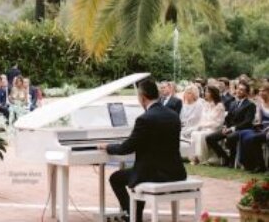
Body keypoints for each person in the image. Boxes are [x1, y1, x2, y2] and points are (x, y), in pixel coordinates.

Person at [100, 78, 186, 222]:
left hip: (154, 174)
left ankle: (132, 214)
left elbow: (127, 148)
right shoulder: (173, 115)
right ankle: (134, 214)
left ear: (142, 98)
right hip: (175, 171)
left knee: (116, 178)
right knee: (138, 171)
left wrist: (107, 146)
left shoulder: (144, 119)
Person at [206, 81, 256, 167]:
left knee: (230, 137)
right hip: (228, 129)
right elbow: (228, 118)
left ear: (246, 93)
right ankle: (225, 157)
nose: (239, 91)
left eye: (242, 90)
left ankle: (232, 160)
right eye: (238, 89)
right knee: (209, 138)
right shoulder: (233, 103)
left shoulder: (250, 105)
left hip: (241, 129)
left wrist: (233, 128)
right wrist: (225, 126)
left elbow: (247, 121)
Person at [187, 86, 225, 164]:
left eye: (207, 92)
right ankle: (194, 157)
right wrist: (200, 126)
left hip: (214, 129)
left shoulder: (219, 106)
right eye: (205, 91)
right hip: (204, 128)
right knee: (194, 133)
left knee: (201, 135)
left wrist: (205, 126)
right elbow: (202, 119)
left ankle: (202, 158)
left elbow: (218, 122)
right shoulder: (205, 104)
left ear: (213, 94)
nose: (205, 93)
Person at [239, 83, 269, 172]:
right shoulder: (260, 103)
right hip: (261, 128)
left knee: (254, 138)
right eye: (260, 91)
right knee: (244, 133)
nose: (260, 92)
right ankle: (247, 163)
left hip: (268, 130)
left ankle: (260, 165)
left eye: (263, 90)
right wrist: (257, 124)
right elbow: (259, 119)